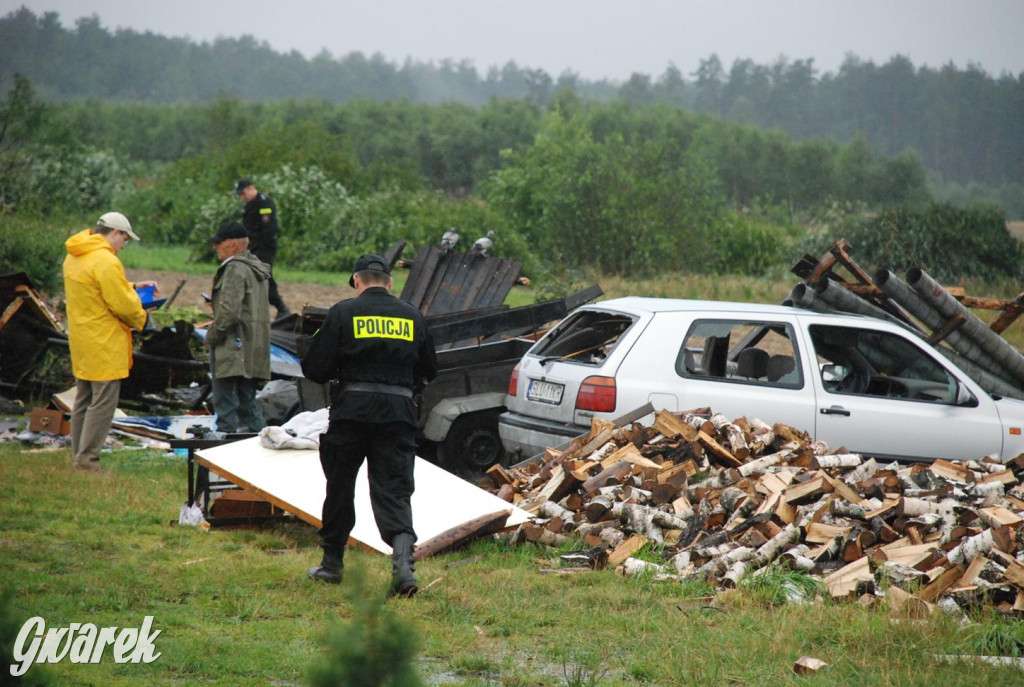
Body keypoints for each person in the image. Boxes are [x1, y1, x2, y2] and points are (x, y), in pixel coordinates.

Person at [301, 254, 437, 596]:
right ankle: (403, 569)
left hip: (351, 414)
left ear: (357, 281)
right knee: (395, 492)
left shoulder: (342, 313)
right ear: (390, 283)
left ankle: (332, 565)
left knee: (340, 488)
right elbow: (430, 370)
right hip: (397, 415)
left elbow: (315, 368)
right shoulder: (413, 316)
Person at [63, 212, 157, 470]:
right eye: (125, 239)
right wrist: (143, 317)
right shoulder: (106, 260)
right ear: (115, 232)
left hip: (82, 338)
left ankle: (78, 455)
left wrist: (133, 286)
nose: (124, 245)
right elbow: (122, 304)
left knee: (83, 400)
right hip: (104, 341)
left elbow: (97, 286)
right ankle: (88, 461)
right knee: (103, 404)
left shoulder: (76, 254)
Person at [207, 221, 272, 434]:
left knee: (225, 406)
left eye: (219, 243)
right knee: (248, 405)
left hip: (232, 347)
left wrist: (212, 336)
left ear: (233, 245)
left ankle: (221, 451)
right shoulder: (256, 268)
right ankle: (264, 446)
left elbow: (229, 312)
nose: (215, 247)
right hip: (252, 346)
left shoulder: (235, 268)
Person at [235, 177, 291, 319]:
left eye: (243, 193)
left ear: (251, 188)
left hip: (264, 248)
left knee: (264, 277)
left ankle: (281, 308)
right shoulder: (250, 205)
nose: (242, 197)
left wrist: (257, 246)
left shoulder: (264, 202)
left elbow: (268, 228)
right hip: (252, 248)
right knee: (249, 277)